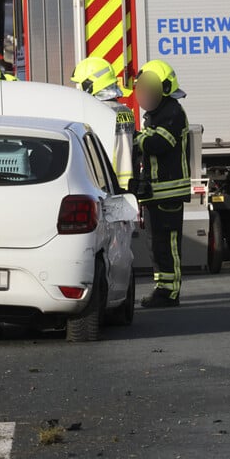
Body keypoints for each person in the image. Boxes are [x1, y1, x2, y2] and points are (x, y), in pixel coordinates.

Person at [133, 59, 190, 308]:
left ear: (164, 88)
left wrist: (134, 137)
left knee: (168, 244)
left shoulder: (172, 112)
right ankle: (162, 288)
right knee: (156, 244)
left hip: (168, 192)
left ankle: (170, 292)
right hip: (156, 193)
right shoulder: (157, 113)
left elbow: (159, 143)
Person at [70, 57, 135, 190]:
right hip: (129, 185)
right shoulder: (126, 111)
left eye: (80, 84)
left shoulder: (95, 113)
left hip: (104, 183)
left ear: (89, 85)